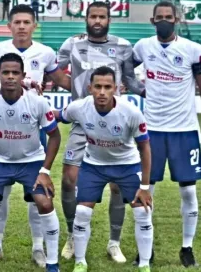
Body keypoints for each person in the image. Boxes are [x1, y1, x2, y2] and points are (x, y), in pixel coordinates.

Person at [0, 4, 70, 267]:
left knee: (36, 195)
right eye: (17, 22)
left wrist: (84, 88)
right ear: (9, 26)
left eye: (26, 22)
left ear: (34, 25)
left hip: (31, 126)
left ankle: (38, 248)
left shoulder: (45, 52)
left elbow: (61, 78)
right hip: (4, 128)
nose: (21, 26)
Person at [57, 0, 146, 263]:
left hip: (113, 123)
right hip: (83, 121)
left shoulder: (123, 46)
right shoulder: (71, 44)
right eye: (93, 16)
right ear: (86, 18)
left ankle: (114, 242)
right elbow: (56, 71)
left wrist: (149, 91)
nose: (98, 21)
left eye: (102, 17)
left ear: (109, 19)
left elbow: (130, 80)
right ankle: (73, 235)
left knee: (117, 185)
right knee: (68, 181)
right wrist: (74, 91)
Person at [0, 53, 61, 272]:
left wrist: (45, 170)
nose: (10, 77)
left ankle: (50, 261)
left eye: (15, 73)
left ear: (23, 75)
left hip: (31, 161)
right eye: (5, 72)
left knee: (44, 203)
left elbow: (55, 136)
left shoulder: (37, 102)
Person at [54, 66, 153, 272]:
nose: (102, 92)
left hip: (127, 165)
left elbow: (145, 148)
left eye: (107, 87)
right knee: (82, 211)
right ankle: (80, 261)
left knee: (143, 212)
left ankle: (144, 265)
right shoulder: (79, 107)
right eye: (97, 86)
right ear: (90, 88)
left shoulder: (131, 113)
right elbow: (57, 115)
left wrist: (144, 186)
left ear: (115, 89)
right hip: (94, 166)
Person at [133, 1, 201, 267]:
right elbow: (127, 69)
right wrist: (139, 89)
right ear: (152, 21)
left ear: (176, 19)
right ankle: (145, 250)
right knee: (146, 189)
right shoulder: (143, 46)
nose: (164, 20)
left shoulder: (192, 49)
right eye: (159, 17)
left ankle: (187, 247)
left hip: (184, 131)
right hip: (152, 131)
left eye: (168, 17)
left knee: (188, 192)